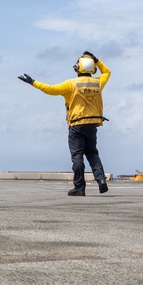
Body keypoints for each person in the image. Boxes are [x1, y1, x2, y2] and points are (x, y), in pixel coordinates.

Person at [17, 51, 111, 196]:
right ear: (92, 69)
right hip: (93, 123)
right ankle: (101, 180)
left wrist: (32, 82)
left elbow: (50, 89)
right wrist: (97, 60)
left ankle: (79, 187)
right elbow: (107, 72)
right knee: (93, 153)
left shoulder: (71, 84)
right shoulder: (98, 83)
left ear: (78, 68)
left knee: (77, 156)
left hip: (77, 124)